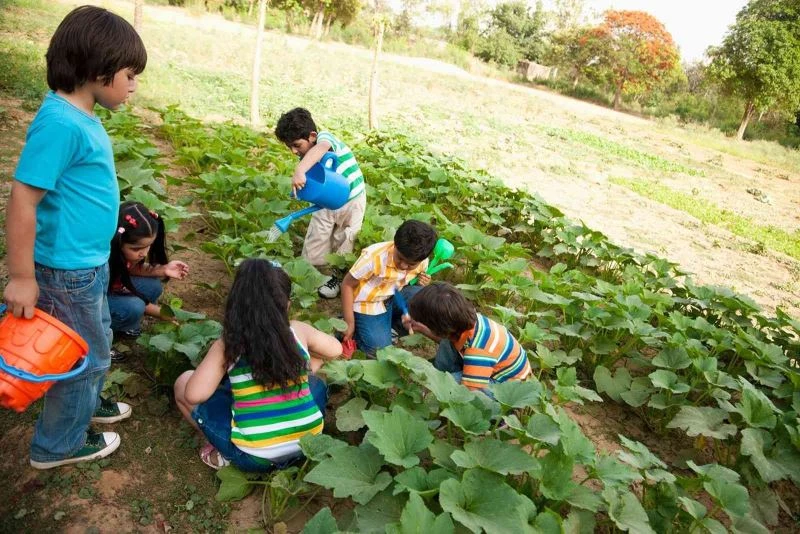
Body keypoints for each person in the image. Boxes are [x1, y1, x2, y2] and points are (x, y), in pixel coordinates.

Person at [2, 5, 146, 468]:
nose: (133, 85)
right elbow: (23, 199)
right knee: (78, 356)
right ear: (98, 68)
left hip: (85, 266)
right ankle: (58, 444)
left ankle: (87, 402)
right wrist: (22, 277)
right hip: (65, 272)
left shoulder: (79, 115)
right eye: (129, 74)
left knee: (97, 337)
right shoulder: (61, 124)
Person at [173, 259, 343, 471]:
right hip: (307, 444)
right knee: (315, 385)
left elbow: (193, 395)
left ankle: (225, 451)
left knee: (182, 382)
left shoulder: (228, 344)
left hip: (256, 458)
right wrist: (308, 363)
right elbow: (336, 349)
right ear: (287, 305)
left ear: (235, 305)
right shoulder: (299, 331)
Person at [275, 107, 366, 299]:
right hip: (325, 202)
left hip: (352, 201)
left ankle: (337, 277)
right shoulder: (305, 156)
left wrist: (299, 170)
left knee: (345, 239)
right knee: (317, 237)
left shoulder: (325, 139)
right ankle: (315, 275)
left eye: (296, 145)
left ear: (312, 135)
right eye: (289, 147)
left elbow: (320, 148)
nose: (293, 151)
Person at [407, 283, 532, 392]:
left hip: (506, 386)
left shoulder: (478, 350)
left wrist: (438, 388)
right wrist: (423, 328)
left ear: (440, 329)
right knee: (447, 345)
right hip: (492, 366)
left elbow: (471, 392)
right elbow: (448, 339)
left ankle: (438, 380)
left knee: (448, 385)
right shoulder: (464, 322)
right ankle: (439, 372)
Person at [341, 220, 437, 357]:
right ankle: (359, 325)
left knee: (428, 298)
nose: (403, 266)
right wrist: (349, 323)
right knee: (378, 351)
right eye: (400, 258)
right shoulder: (374, 257)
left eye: (411, 264)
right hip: (368, 303)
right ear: (395, 244)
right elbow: (347, 284)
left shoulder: (421, 260)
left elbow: (411, 284)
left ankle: (390, 327)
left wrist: (421, 282)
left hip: (393, 296)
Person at [108, 201, 189, 339]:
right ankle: (107, 334)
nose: (144, 254)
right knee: (135, 307)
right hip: (94, 305)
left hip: (112, 290)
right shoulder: (105, 262)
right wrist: (160, 313)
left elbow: (131, 270)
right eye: (136, 249)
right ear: (118, 241)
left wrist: (163, 269)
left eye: (148, 246)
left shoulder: (123, 255)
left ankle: (124, 323)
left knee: (152, 286)